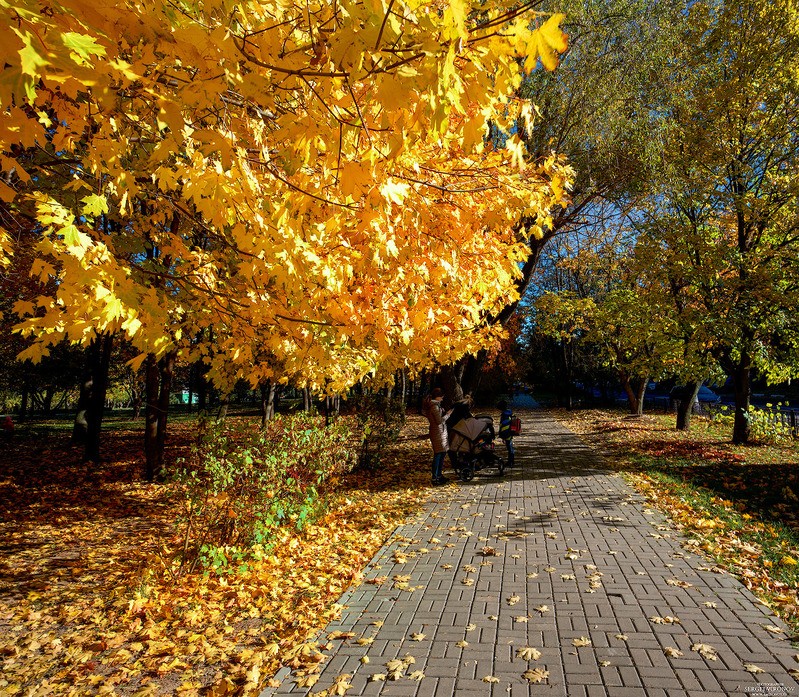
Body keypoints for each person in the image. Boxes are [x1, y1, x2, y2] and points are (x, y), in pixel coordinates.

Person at [422, 388, 449, 485]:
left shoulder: (436, 406)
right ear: (437, 396)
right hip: (437, 432)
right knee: (438, 454)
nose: (442, 399)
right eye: (441, 397)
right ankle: (435, 477)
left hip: (440, 432)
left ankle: (439, 475)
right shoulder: (434, 407)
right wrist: (448, 415)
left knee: (442, 453)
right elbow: (439, 421)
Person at [497, 399, 515, 468]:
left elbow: (503, 426)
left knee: (510, 448)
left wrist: (502, 436)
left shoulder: (504, 415)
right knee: (510, 447)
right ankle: (511, 461)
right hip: (510, 432)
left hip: (506, 433)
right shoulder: (509, 413)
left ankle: (511, 462)